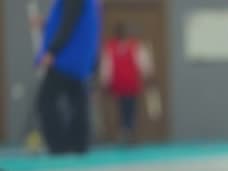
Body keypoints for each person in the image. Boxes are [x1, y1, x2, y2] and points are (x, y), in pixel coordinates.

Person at [35, 0, 101, 155]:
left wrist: (52, 51)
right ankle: (78, 143)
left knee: (46, 99)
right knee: (77, 101)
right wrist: (47, 23)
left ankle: (59, 144)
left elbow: (68, 24)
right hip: (80, 58)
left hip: (67, 58)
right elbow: (71, 20)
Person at [100, 23, 154, 145]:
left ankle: (130, 131)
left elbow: (143, 63)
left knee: (131, 107)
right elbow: (107, 66)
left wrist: (148, 76)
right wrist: (105, 82)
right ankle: (124, 131)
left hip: (132, 83)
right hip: (118, 85)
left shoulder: (135, 46)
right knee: (121, 108)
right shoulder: (110, 47)